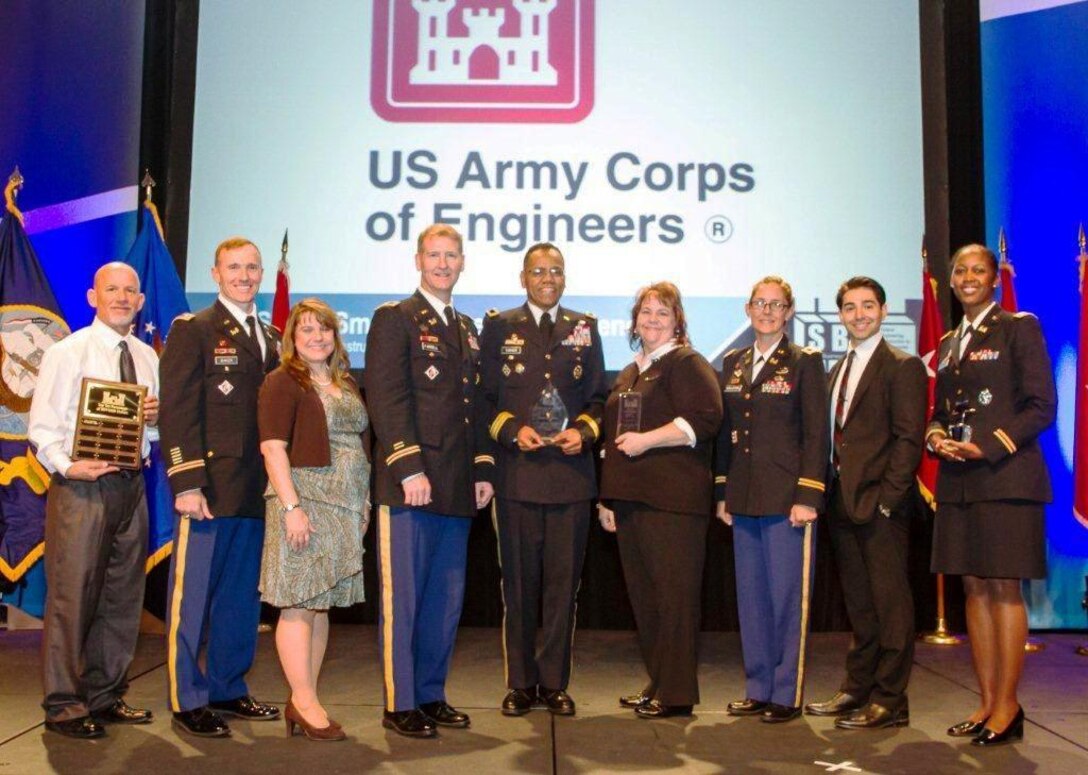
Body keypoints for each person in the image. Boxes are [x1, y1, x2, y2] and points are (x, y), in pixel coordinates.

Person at [364, 223, 495, 738]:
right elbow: (387, 397)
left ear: (463, 263)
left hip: (457, 484)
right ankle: (400, 703)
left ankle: (431, 693)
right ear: (418, 260)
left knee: (445, 598)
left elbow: (476, 406)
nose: (443, 264)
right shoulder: (394, 318)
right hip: (411, 485)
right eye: (434, 255)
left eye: (451, 256)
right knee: (405, 599)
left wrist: (483, 469)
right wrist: (407, 465)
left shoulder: (465, 327)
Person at [927, 244, 1056, 747]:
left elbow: (1041, 406)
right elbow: (942, 408)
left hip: (1007, 479)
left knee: (1003, 588)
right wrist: (936, 436)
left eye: (978, 269)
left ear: (993, 279)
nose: (968, 277)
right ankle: (985, 705)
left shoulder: (1019, 327)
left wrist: (988, 446)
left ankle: (1009, 707)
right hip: (960, 481)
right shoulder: (950, 338)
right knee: (973, 590)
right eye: (960, 270)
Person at [27, 262, 160, 739]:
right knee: (72, 598)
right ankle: (64, 704)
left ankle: (105, 696)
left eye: (130, 291)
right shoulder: (67, 352)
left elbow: (154, 432)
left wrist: (155, 418)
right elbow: (40, 428)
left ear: (140, 302)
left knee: (123, 597)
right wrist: (68, 466)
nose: (122, 298)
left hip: (131, 486)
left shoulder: (147, 357)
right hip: (82, 488)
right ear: (92, 296)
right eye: (112, 290)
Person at [159, 237, 281, 738]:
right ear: (215, 273)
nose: (245, 275)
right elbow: (178, 411)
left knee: (240, 599)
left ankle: (228, 687)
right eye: (234, 267)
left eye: (252, 267)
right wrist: (186, 481)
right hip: (207, 490)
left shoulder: (273, 337)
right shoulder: (195, 330)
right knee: (192, 601)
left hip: (256, 491)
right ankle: (188, 699)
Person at [478, 242, 607, 717]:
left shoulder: (585, 328)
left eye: (555, 271)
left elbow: (599, 399)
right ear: (523, 277)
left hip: (572, 480)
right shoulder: (498, 327)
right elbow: (485, 399)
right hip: (517, 480)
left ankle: (554, 683)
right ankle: (520, 683)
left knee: (562, 588)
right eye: (538, 271)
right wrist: (512, 430)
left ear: (564, 277)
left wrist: (585, 431)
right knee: (518, 587)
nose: (547, 278)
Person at [803, 277, 926, 729]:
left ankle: (891, 699)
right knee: (860, 605)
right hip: (841, 505)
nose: (859, 314)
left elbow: (908, 439)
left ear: (884, 309)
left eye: (868, 305)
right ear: (840, 315)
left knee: (891, 606)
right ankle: (858, 689)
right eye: (850, 307)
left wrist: (889, 502)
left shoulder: (902, 365)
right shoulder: (837, 369)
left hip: (880, 507)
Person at [597, 282, 722, 719]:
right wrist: (608, 499)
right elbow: (614, 441)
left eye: (662, 313)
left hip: (673, 504)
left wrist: (648, 440)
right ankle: (659, 683)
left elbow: (706, 419)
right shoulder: (632, 371)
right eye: (645, 312)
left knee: (674, 599)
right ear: (634, 320)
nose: (652, 319)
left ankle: (677, 694)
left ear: (677, 321)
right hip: (632, 502)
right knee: (646, 600)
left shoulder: (686, 362)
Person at [715, 275, 828, 724]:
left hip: (788, 502)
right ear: (747, 309)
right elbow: (726, 436)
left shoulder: (804, 362)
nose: (766, 311)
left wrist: (808, 496)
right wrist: (723, 493)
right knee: (752, 599)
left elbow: (817, 436)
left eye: (775, 304)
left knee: (786, 599)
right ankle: (757, 686)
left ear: (789, 312)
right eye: (759, 303)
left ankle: (786, 692)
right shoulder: (734, 363)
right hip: (744, 498)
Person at [257, 299, 370, 742]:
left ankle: (307, 697)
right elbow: (272, 448)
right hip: (304, 501)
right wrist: (292, 508)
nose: (317, 337)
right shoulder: (282, 381)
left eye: (324, 329)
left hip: (344, 505)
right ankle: (303, 702)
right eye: (306, 330)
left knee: (320, 605)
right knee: (298, 602)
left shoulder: (345, 381)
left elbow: (358, 447)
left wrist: (361, 503)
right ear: (292, 339)